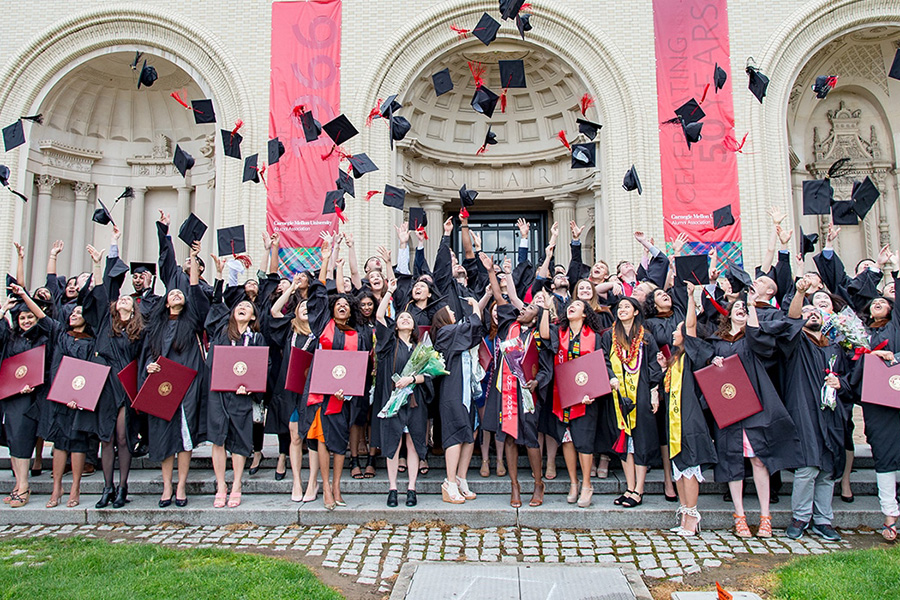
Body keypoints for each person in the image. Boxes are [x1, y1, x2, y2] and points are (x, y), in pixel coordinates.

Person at [709, 290, 802, 538]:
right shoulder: (718, 341)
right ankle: (739, 515)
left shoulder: (755, 336)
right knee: (731, 459)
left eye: (744, 307)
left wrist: (751, 308)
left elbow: (760, 344)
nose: (740, 308)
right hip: (730, 409)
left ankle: (765, 515)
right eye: (736, 307)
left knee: (759, 459)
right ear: (728, 315)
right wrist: (715, 362)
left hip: (755, 406)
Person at [298, 232, 372, 510]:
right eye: (337, 304)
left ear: (350, 311)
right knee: (322, 441)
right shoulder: (323, 326)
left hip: (343, 397)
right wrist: (327, 259)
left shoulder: (357, 334)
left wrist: (350, 390)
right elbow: (318, 297)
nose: (342, 305)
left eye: (345, 305)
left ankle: (338, 486)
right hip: (320, 395)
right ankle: (326, 488)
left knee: (339, 441)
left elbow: (360, 368)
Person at [780, 277, 851, 541]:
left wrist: (840, 382)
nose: (811, 315)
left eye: (816, 313)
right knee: (808, 466)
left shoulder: (834, 347)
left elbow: (850, 379)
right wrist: (800, 292)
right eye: (807, 313)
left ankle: (823, 520)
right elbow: (791, 319)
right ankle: (800, 517)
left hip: (830, 414)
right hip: (804, 410)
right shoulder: (796, 343)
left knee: (828, 467)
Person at [140, 239, 209, 508]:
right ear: (166, 301)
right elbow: (148, 354)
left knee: (184, 434)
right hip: (161, 384)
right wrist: (149, 366)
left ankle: (181, 486)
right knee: (163, 436)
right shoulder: (155, 327)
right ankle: (166, 486)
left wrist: (193, 258)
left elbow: (193, 292)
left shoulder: (191, 320)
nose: (176, 294)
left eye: (179, 294)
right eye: (172, 293)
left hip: (187, 382)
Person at [82, 235, 144, 509]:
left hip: (125, 385)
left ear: (134, 308)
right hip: (104, 384)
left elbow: (142, 360)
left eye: (127, 301)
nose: (122, 302)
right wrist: (98, 266)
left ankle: (122, 487)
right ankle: (106, 488)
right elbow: (102, 294)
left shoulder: (139, 331)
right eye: (120, 301)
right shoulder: (106, 325)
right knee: (105, 437)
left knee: (122, 437)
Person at [205, 255, 268, 508]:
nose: (242, 308)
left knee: (241, 440)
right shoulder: (222, 331)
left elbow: (261, 368)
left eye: (248, 308)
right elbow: (215, 305)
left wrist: (251, 387)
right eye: (238, 306)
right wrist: (221, 276)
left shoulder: (256, 339)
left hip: (242, 395)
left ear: (253, 317)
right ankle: (221, 484)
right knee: (218, 439)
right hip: (218, 393)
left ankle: (238, 484)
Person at [482, 253, 545, 508]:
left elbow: (546, 365)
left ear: (536, 316)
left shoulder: (540, 336)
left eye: (528, 309)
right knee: (507, 436)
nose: (522, 310)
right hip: (506, 389)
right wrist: (490, 272)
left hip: (528, 391)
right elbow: (499, 297)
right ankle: (515, 486)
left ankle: (538, 484)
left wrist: (538, 381)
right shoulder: (509, 325)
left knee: (530, 438)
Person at [656, 282, 717, 535]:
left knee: (690, 468)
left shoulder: (690, 356)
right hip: (674, 422)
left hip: (689, 421)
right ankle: (683, 513)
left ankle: (692, 518)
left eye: (677, 331)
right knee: (680, 469)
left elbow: (690, 327)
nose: (673, 333)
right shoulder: (674, 360)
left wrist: (692, 297)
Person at [538, 295, 607, 508]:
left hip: (587, 398)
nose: (571, 308)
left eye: (576, 306)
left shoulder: (595, 337)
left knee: (584, 442)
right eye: (569, 306)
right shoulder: (560, 333)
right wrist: (545, 310)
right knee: (566, 439)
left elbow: (599, 364)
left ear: (585, 313)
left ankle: (587, 484)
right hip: (563, 394)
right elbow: (543, 333)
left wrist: (593, 392)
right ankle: (574, 483)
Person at [854, 253, 900, 541]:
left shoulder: (897, 328)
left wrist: (890, 269)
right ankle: (889, 515)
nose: (878, 304)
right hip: (878, 403)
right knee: (883, 456)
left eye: (883, 301)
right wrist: (871, 355)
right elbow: (853, 363)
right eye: (874, 303)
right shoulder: (862, 335)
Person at [0, 284, 59, 508]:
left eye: (29, 318)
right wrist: (5, 308)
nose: (26, 321)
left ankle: (24, 486)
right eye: (22, 317)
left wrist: (24, 295)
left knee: (23, 438)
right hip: (11, 396)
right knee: (14, 439)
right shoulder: (11, 338)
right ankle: (18, 484)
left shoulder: (43, 339)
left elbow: (43, 368)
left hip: (31, 396)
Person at [374, 280, 431, 507]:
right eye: (401, 318)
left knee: (414, 444)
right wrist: (389, 291)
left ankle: (412, 488)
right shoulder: (389, 344)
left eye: (409, 318)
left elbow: (430, 375)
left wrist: (413, 379)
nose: (405, 319)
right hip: (394, 402)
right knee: (393, 443)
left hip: (415, 403)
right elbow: (379, 317)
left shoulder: (422, 348)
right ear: (396, 326)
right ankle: (393, 488)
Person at [603, 297, 662, 509]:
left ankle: (639, 489)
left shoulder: (645, 337)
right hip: (618, 396)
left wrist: (655, 391)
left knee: (641, 441)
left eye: (627, 307)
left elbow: (655, 364)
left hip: (642, 393)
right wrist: (610, 376)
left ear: (636, 312)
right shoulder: (610, 336)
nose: (622, 310)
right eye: (619, 307)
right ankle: (629, 487)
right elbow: (604, 360)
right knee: (624, 441)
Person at [269, 274, 319, 502]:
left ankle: (312, 483)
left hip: (312, 390)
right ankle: (297, 482)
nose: (306, 309)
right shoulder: (289, 330)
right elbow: (274, 312)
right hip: (290, 390)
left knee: (313, 437)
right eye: (303, 307)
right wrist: (292, 288)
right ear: (296, 311)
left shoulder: (320, 334)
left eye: (311, 307)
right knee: (295, 436)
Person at [432, 296, 484, 504]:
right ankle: (450, 482)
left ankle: (461, 478)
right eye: (450, 312)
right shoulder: (444, 333)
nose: (454, 314)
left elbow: (473, 333)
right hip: (453, 390)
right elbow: (473, 327)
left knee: (470, 431)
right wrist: (475, 307)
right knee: (455, 431)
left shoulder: (452, 332)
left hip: (465, 389)